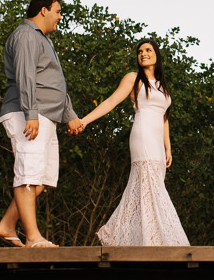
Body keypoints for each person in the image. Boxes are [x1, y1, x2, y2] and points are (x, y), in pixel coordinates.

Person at [78, 39, 190, 246]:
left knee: (150, 186)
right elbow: (111, 101)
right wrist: (84, 120)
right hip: (143, 135)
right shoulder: (133, 78)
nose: (143, 54)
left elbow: (164, 117)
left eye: (148, 50)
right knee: (149, 184)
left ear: (156, 54)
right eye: (140, 51)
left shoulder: (161, 84)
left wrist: (168, 147)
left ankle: (127, 234)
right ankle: (152, 241)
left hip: (158, 141)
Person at [0, 0, 83, 248]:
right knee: (28, 175)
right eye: (57, 11)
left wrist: (70, 115)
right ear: (43, 10)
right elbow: (26, 76)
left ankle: (6, 225)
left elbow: (53, 81)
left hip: (45, 116)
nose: (59, 17)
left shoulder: (43, 39)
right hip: (28, 114)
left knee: (42, 178)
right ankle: (33, 237)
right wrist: (30, 114)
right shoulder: (25, 35)